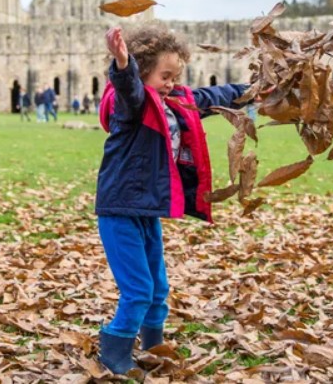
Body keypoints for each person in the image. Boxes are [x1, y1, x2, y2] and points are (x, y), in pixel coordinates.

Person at [95, 24, 250, 375]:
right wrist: (122, 63)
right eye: (165, 76)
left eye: (175, 76)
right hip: (119, 210)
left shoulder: (174, 101)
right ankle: (114, 347)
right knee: (138, 289)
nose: (170, 83)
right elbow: (129, 90)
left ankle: (153, 342)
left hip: (145, 209)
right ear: (143, 69)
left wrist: (253, 91)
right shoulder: (130, 106)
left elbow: (213, 97)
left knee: (158, 285)